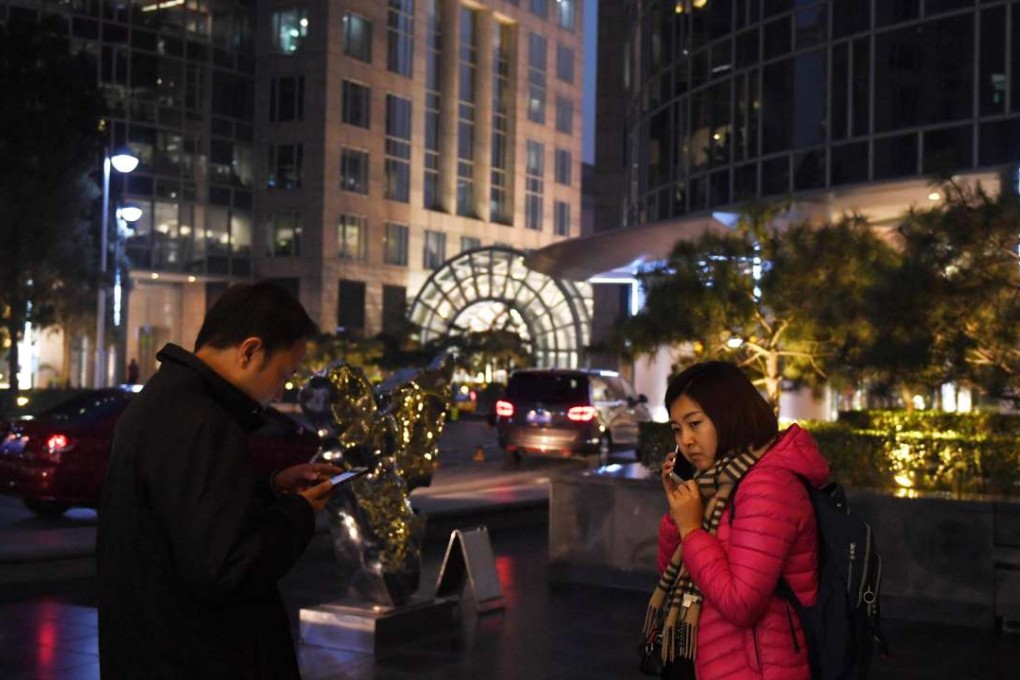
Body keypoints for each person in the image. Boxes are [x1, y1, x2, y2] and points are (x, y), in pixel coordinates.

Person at [97, 282, 341, 679]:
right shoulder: (202, 421)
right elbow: (227, 566)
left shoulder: (168, 400)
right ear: (249, 351)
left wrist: (273, 486)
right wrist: (298, 512)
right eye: (284, 373)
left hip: (152, 648)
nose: (280, 391)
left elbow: (187, 512)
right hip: (195, 656)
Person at [643, 361, 829, 680]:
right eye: (677, 429)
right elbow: (672, 573)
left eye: (695, 423)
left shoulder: (767, 486)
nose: (685, 440)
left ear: (729, 416)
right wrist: (680, 510)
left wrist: (690, 529)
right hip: (717, 658)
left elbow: (741, 604)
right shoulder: (717, 481)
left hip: (758, 667)